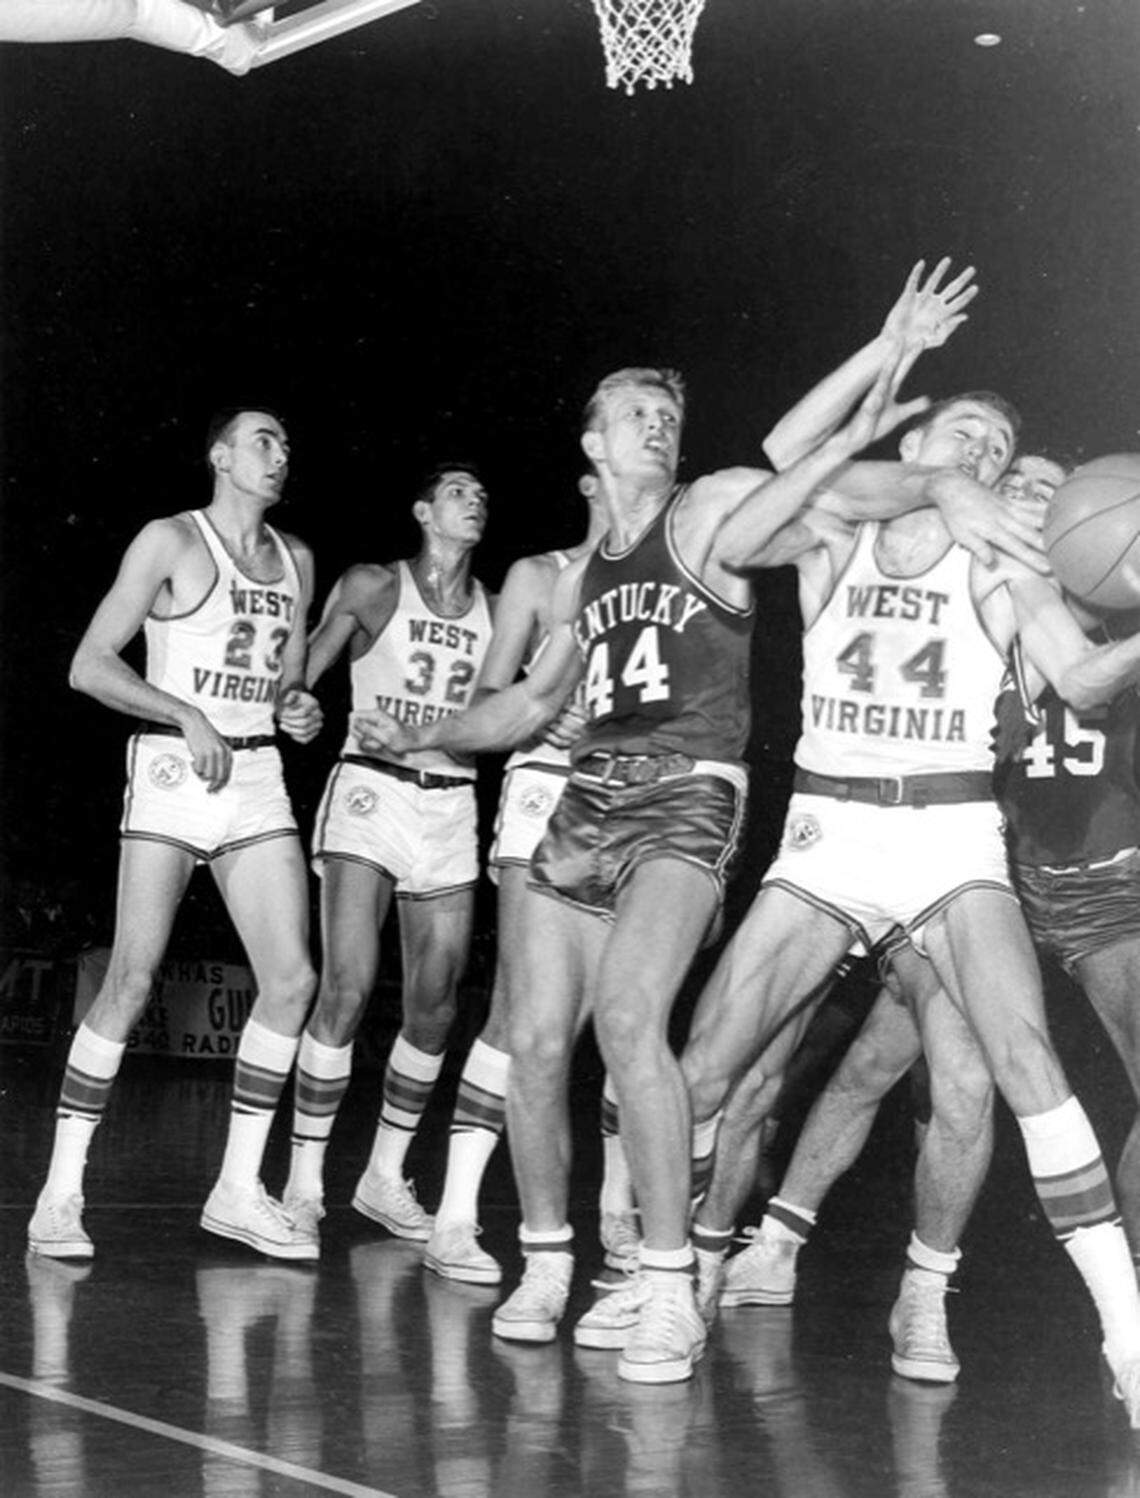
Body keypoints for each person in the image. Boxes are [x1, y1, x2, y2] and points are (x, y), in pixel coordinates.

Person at [350, 259, 1039, 1383]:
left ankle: (666, 1282)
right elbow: (528, 704)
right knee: (532, 1042)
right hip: (587, 791)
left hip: (690, 793)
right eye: (638, 414)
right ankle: (547, 1260)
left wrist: (921, 446)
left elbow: (823, 484)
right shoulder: (591, 573)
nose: (660, 426)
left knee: (630, 1020)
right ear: (593, 447)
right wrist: (419, 736)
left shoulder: (710, 505)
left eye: (670, 414)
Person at [678, 300, 1140, 1424]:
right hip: (831, 829)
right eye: (965, 436)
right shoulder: (839, 526)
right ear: (914, 441)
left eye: (996, 447)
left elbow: (1081, 678)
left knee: (1009, 1068)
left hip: (952, 837)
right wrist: (887, 358)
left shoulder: (1005, 558)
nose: (981, 455)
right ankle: (675, 1271)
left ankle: (1122, 1332)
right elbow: (783, 465)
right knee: (712, 1066)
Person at [28, 407, 322, 1262]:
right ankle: (60, 1193)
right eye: (264, 440)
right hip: (171, 769)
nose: (280, 453)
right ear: (221, 455)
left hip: (257, 773)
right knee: (130, 978)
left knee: (293, 980)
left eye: (286, 443)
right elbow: (90, 664)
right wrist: (184, 711)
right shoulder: (170, 540)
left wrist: (299, 708)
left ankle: (237, 1189)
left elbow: (288, 682)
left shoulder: (297, 560)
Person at [281, 464, 493, 1251]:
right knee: (347, 983)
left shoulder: (498, 611)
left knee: (435, 1005)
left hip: (450, 801)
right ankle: (303, 1187)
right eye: (458, 492)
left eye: (481, 495)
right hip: (371, 790)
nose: (474, 503)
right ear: (422, 509)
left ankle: (383, 1178)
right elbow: (309, 657)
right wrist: (296, 696)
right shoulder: (376, 583)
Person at [424, 474, 616, 1285]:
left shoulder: (666, 573)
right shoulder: (541, 575)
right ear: (587, 475)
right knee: (518, 1010)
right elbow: (488, 693)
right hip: (544, 791)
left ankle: (621, 1226)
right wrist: (547, 710)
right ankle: (455, 1218)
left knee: (615, 1017)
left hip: (629, 800)